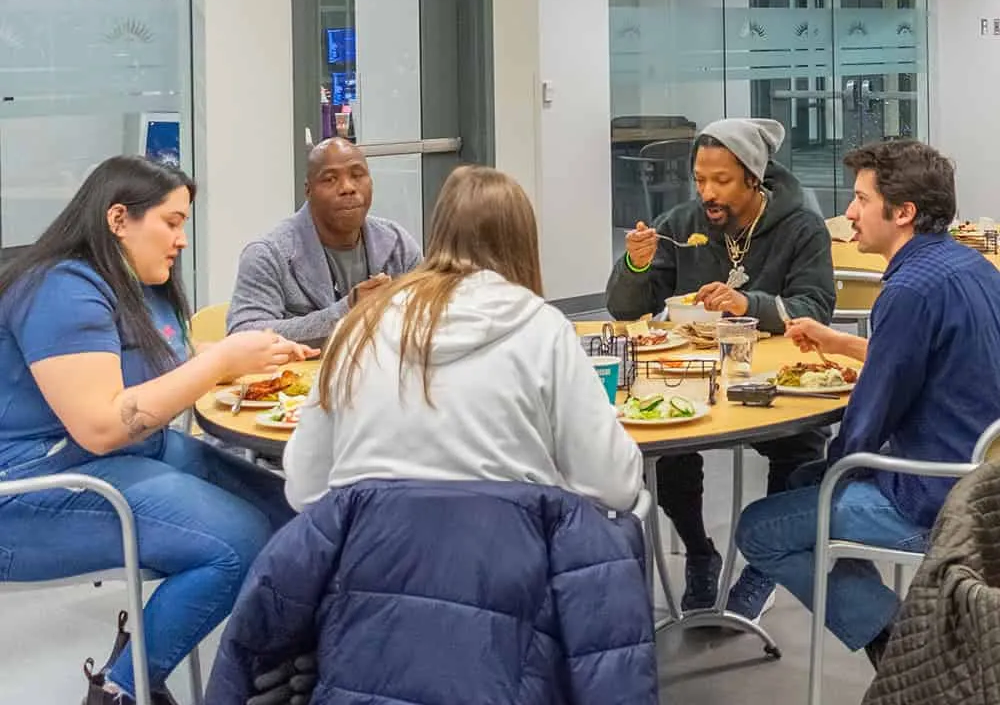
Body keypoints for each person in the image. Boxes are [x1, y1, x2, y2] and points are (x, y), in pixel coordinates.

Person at [0, 156, 314, 705]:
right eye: (172, 222)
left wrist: (247, 357)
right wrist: (219, 364)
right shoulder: (62, 289)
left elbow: (165, 361)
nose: (182, 240)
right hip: (36, 488)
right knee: (238, 543)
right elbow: (100, 426)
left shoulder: (133, 282)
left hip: (117, 457)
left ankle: (259, 663)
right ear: (119, 219)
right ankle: (120, 690)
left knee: (293, 518)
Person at [736, 140, 1000, 669]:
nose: (849, 214)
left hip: (931, 501)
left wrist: (836, 471)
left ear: (902, 213)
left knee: (759, 528)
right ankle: (897, 633)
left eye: (860, 199)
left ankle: (905, 649)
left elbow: (865, 425)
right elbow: (927, 360)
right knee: (801, 481)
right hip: (981, 487)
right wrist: (842, 344)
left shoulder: (907, 292)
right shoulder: (972, 270)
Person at [284, 164, 643, 514]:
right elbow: (615, 488)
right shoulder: (544, 331)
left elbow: (305, 489)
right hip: (511, 564)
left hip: (371, 564)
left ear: (437, 232)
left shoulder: (360, 328)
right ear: (525, 244)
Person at [606, 117, 835, 620]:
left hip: (768, 374)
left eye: (722, 181)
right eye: (700, 179)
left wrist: (746, 303)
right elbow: (624, 310)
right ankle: (699, 550)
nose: (708, 193)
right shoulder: (683, 225)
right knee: (663, 450)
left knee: (799, 447)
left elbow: (815, 307)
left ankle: (764, 566)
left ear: (755, 176)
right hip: (687, 371)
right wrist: (638, 265)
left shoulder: (801, 226)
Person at [227, 138, 422, 347]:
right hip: (301, 377)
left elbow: (431, 313)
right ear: (308, 190)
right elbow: (244, 334)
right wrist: (346, 311)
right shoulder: (269, 255)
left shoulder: (398, 244)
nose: (348, 188)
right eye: (330, 179)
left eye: (357, 175)